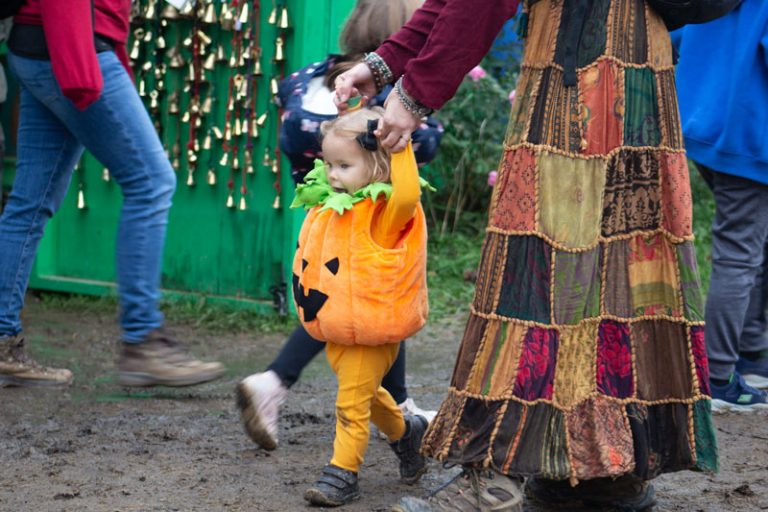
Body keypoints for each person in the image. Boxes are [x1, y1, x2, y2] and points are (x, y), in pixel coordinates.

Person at [336, 0, 719, 511]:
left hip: (579, 86)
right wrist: (386, 63)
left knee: (540, 267)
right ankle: (600, 476)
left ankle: (501, 478)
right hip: (632, 76)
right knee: (616, 268)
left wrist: (413, 91)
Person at [236, 0, 441, 452]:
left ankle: (399, 404)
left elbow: (288, 122)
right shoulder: (389, 96)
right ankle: (275, 378)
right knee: (371, 300)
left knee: (347, 301)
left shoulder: (306, 78)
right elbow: (423, 144)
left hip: (316, 218)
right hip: (368, 221)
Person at [0, 0, 224, 388]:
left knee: (29, 204)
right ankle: (143, 342)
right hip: (70, 42)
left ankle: (2, 341)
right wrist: (78, 57)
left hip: (40, 43)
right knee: (151, 183)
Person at [290, 107, 430, 507]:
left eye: (344, 165)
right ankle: (408, 434)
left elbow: (407, 193)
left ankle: (342, 473)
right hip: (336, 323)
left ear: (377, 164)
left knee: (350, 402)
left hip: (372, 327)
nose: (333, 174)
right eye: (329, 164)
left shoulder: (386, 215)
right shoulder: (332, 204)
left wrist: (399, 148)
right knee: (367, 395)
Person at [673, 0, 768, 411]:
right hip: (750, 134)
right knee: (741, 251)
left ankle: (752, 353)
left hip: (703, 121)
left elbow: (677, 31)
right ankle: (717, 377)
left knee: (753, 241)